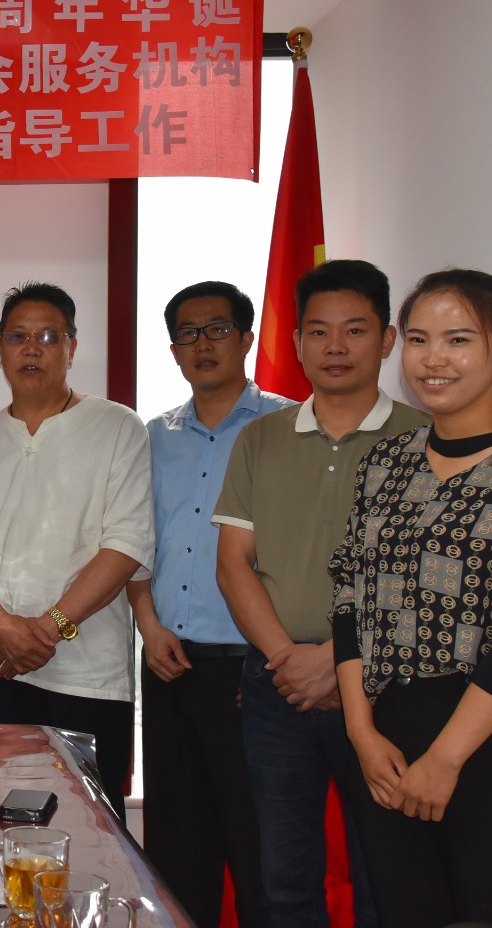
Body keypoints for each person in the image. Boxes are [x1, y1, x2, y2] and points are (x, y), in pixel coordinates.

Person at [331, 269, 492, 928]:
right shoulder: (385, 464)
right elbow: (349, 598)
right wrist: (361, 732)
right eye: (419, 339)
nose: (433, 359)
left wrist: (446, 759)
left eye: (458, 339)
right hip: (387, 741)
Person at [214, 259, 426, 928]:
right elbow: (234, 565)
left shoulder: (425, 438)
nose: (336, 346)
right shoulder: (261, 438)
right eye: (319, 331)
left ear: (386, 340)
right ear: (298, 341)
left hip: (389, 684)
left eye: (355, 330)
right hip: (276, 688)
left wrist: (336, 661)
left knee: (386, 879)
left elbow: (423, 585)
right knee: (284, 881)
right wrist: (287, 660)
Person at [0, 282, 153, 820]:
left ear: (72, 347)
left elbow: (126, 542)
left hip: (86, 676)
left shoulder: (117, 426)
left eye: (48, 337)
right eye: (18, 337)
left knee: (89, 834)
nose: (31, 349)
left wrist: (48, 628)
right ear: (0, 348)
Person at [130, 281, 289, 928]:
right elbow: (133, 543)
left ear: (247, 338)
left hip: (255, 670)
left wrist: (276, 656)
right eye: (188, 334)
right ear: (173, 350)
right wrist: (147, 625)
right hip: (169, 662)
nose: (203, 344)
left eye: (218, 329)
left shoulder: (287, 428)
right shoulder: (152, 437)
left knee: (260, 851)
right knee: (176, 848)